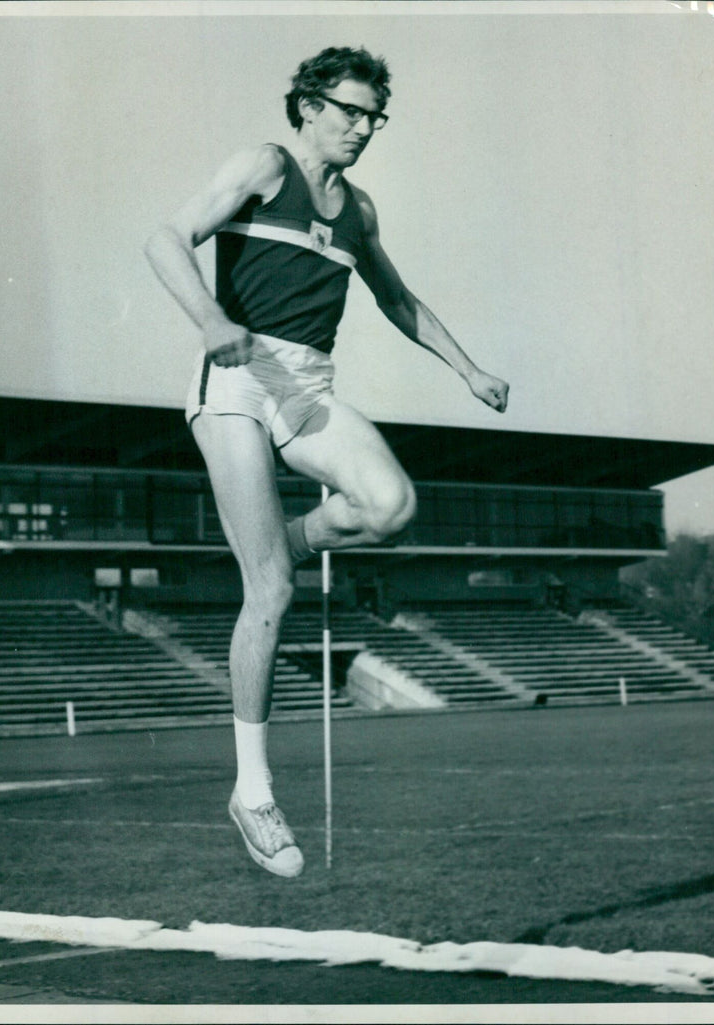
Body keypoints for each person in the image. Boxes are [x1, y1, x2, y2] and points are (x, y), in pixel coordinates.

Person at [145, 46, 509, 878]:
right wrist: (207, 319)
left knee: (390, 506)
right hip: (236, 377)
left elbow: (396, 298)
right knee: (269, 590)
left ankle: (287, 539)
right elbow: (167, 236)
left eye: (376, 117)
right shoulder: (264, 165)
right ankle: (253, 789)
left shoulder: (360, 209)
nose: (364, 128)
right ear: (309, 104)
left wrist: (470, 368)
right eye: (350, 110)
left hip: (307, 385)